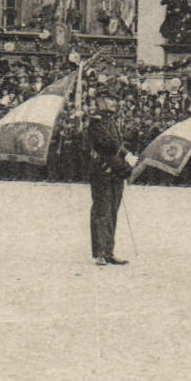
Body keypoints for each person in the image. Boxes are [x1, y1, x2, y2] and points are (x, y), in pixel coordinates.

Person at [82, 90, 132, 266]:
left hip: (115, 172)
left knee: (112, 212)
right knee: (102, 211)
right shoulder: (96, 122)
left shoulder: (110, 121)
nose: (113, 103)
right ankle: (100, 253)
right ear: (99, 101)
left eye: (114, 99)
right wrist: (125, 154)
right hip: (102, 171)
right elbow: (107, 143)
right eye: (108, 99)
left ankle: (109, 251)